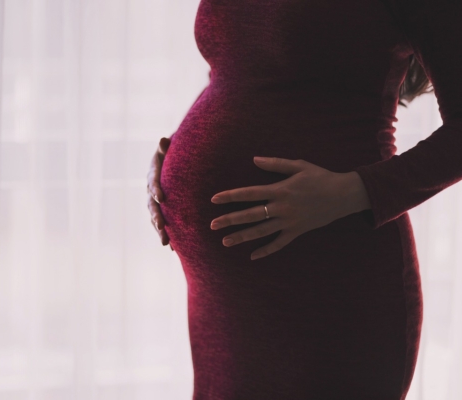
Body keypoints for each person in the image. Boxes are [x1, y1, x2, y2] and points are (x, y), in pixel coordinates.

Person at [146, 0, 462, 398]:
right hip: (223, 302)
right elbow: (235, 74)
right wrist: (172, 154)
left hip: (327, 282)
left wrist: (353, 191)